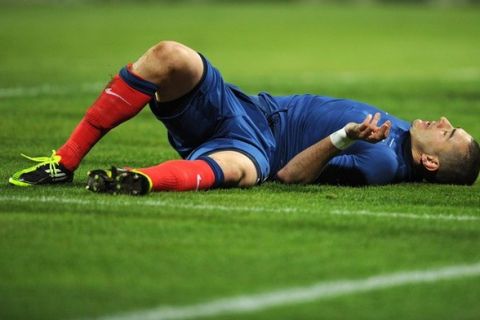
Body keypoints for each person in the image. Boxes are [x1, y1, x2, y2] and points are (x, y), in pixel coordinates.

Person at [8, 41, 480, 195]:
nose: (443, 120)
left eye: (450, 132)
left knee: (242, 173)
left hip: (257, 149)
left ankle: (137, 180)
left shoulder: (382, 164)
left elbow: (289, 176)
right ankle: (63, 162)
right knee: (170, 55)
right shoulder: (402, 133)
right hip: (244, 109)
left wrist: (342, 137)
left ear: (431, 164)